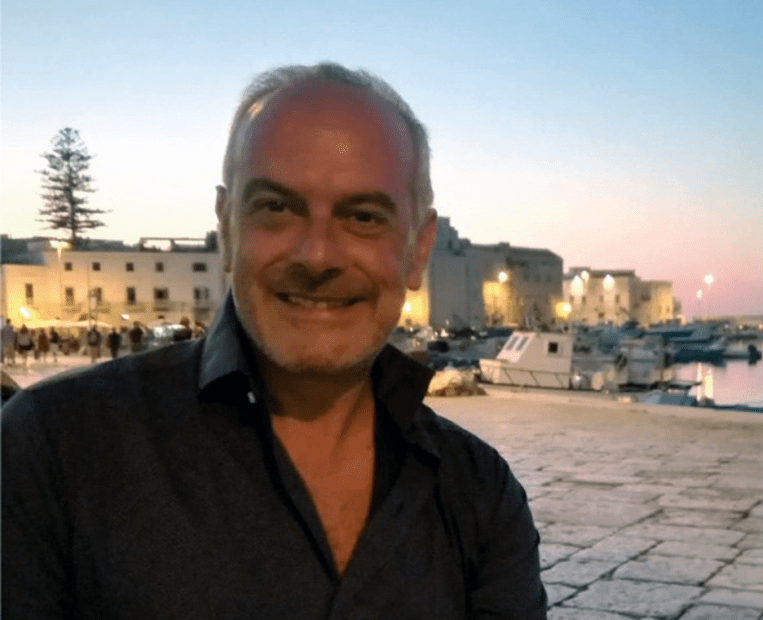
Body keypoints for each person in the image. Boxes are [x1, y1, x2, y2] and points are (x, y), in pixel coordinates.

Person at [2, 62, 546, 619]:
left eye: (363, 216)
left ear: (418, 249)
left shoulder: (480, 494)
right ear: (227, 227)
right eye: (276, 208)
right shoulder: (51, 449)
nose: (317, 256)